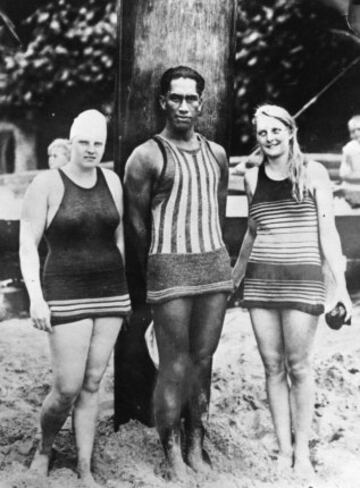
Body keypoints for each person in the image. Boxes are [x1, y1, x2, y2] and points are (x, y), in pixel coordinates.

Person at [124, 66, 233, 479]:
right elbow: (137, 227)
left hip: (213, 269)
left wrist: (215, 256)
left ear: (201, 102)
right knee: (174, 364)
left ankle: (195, 443)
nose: (184, 106)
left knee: (203, 361)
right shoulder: (147, 155)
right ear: (163, 101)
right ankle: (170, 449)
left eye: (192, 98)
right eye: (176, 98)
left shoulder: (217, 153)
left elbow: (216, 210)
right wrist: (152, 275)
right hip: (169, 270)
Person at [232, 104, 352, 479]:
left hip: (303, 278)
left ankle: (302, 452)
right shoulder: (252, 178)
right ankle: (284, 450)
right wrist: (232, 281)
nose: (269, 138)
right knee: (271, 366)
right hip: (261, 281)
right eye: (262, 132)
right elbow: (252, 233)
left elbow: (328, 233)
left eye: (275, 130)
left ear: (290, 130)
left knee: (298, 366)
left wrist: (340, 288)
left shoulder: (312, 172)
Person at [19, 109, 131, 486]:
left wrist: (125, 290)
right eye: (84, 142)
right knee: (67, 386)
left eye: (98, 143)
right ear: (71, 141)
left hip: (110, 292)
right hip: (65, 291)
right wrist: (35, 296)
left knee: (93, 382)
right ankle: (45, 447)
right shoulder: (46, 183)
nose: (91, 150)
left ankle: (83, 466)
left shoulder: (113, 181)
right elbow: (27, 246)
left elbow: (119, 239)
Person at [339, 115, 360, 183]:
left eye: (359, 129)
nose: (357, 133)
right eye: (353, 131)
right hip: (354, 187)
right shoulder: (349, 148)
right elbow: (343, 174)